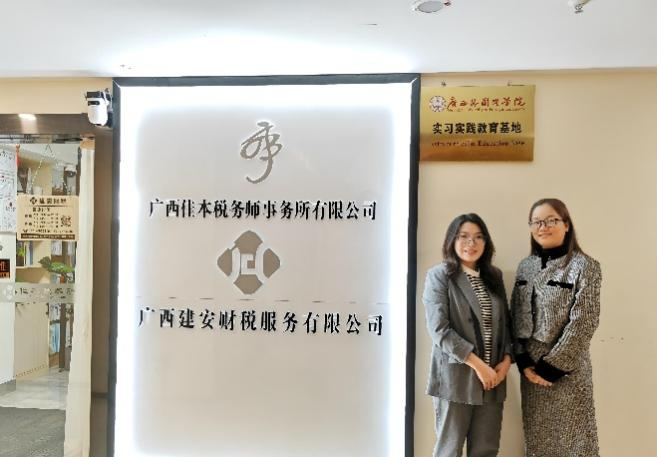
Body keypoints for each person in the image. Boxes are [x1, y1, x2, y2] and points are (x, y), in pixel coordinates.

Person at [511, 198, 602, 457]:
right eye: (536, 222)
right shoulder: (525, 266)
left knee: (575, 444)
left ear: (566, 224)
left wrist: (551, 367)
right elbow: (515, 314)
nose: (543, 227)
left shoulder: (585, 266)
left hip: (567, 372)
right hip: (531, 374)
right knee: (539, 444)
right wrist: (523, 361)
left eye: (551, 220)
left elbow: (585, 321)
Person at [423, 213, 512, 457]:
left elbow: (506, 324)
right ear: (452, 240)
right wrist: (479, 366)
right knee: (449, 451)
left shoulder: (493, 276)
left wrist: (506, 362)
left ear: (486, 242)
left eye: (478, 237)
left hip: (493, 378)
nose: (471, 243)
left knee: (486, 450)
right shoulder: (440, 275)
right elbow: (439, 330)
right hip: (456, 379)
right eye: (463, 236)